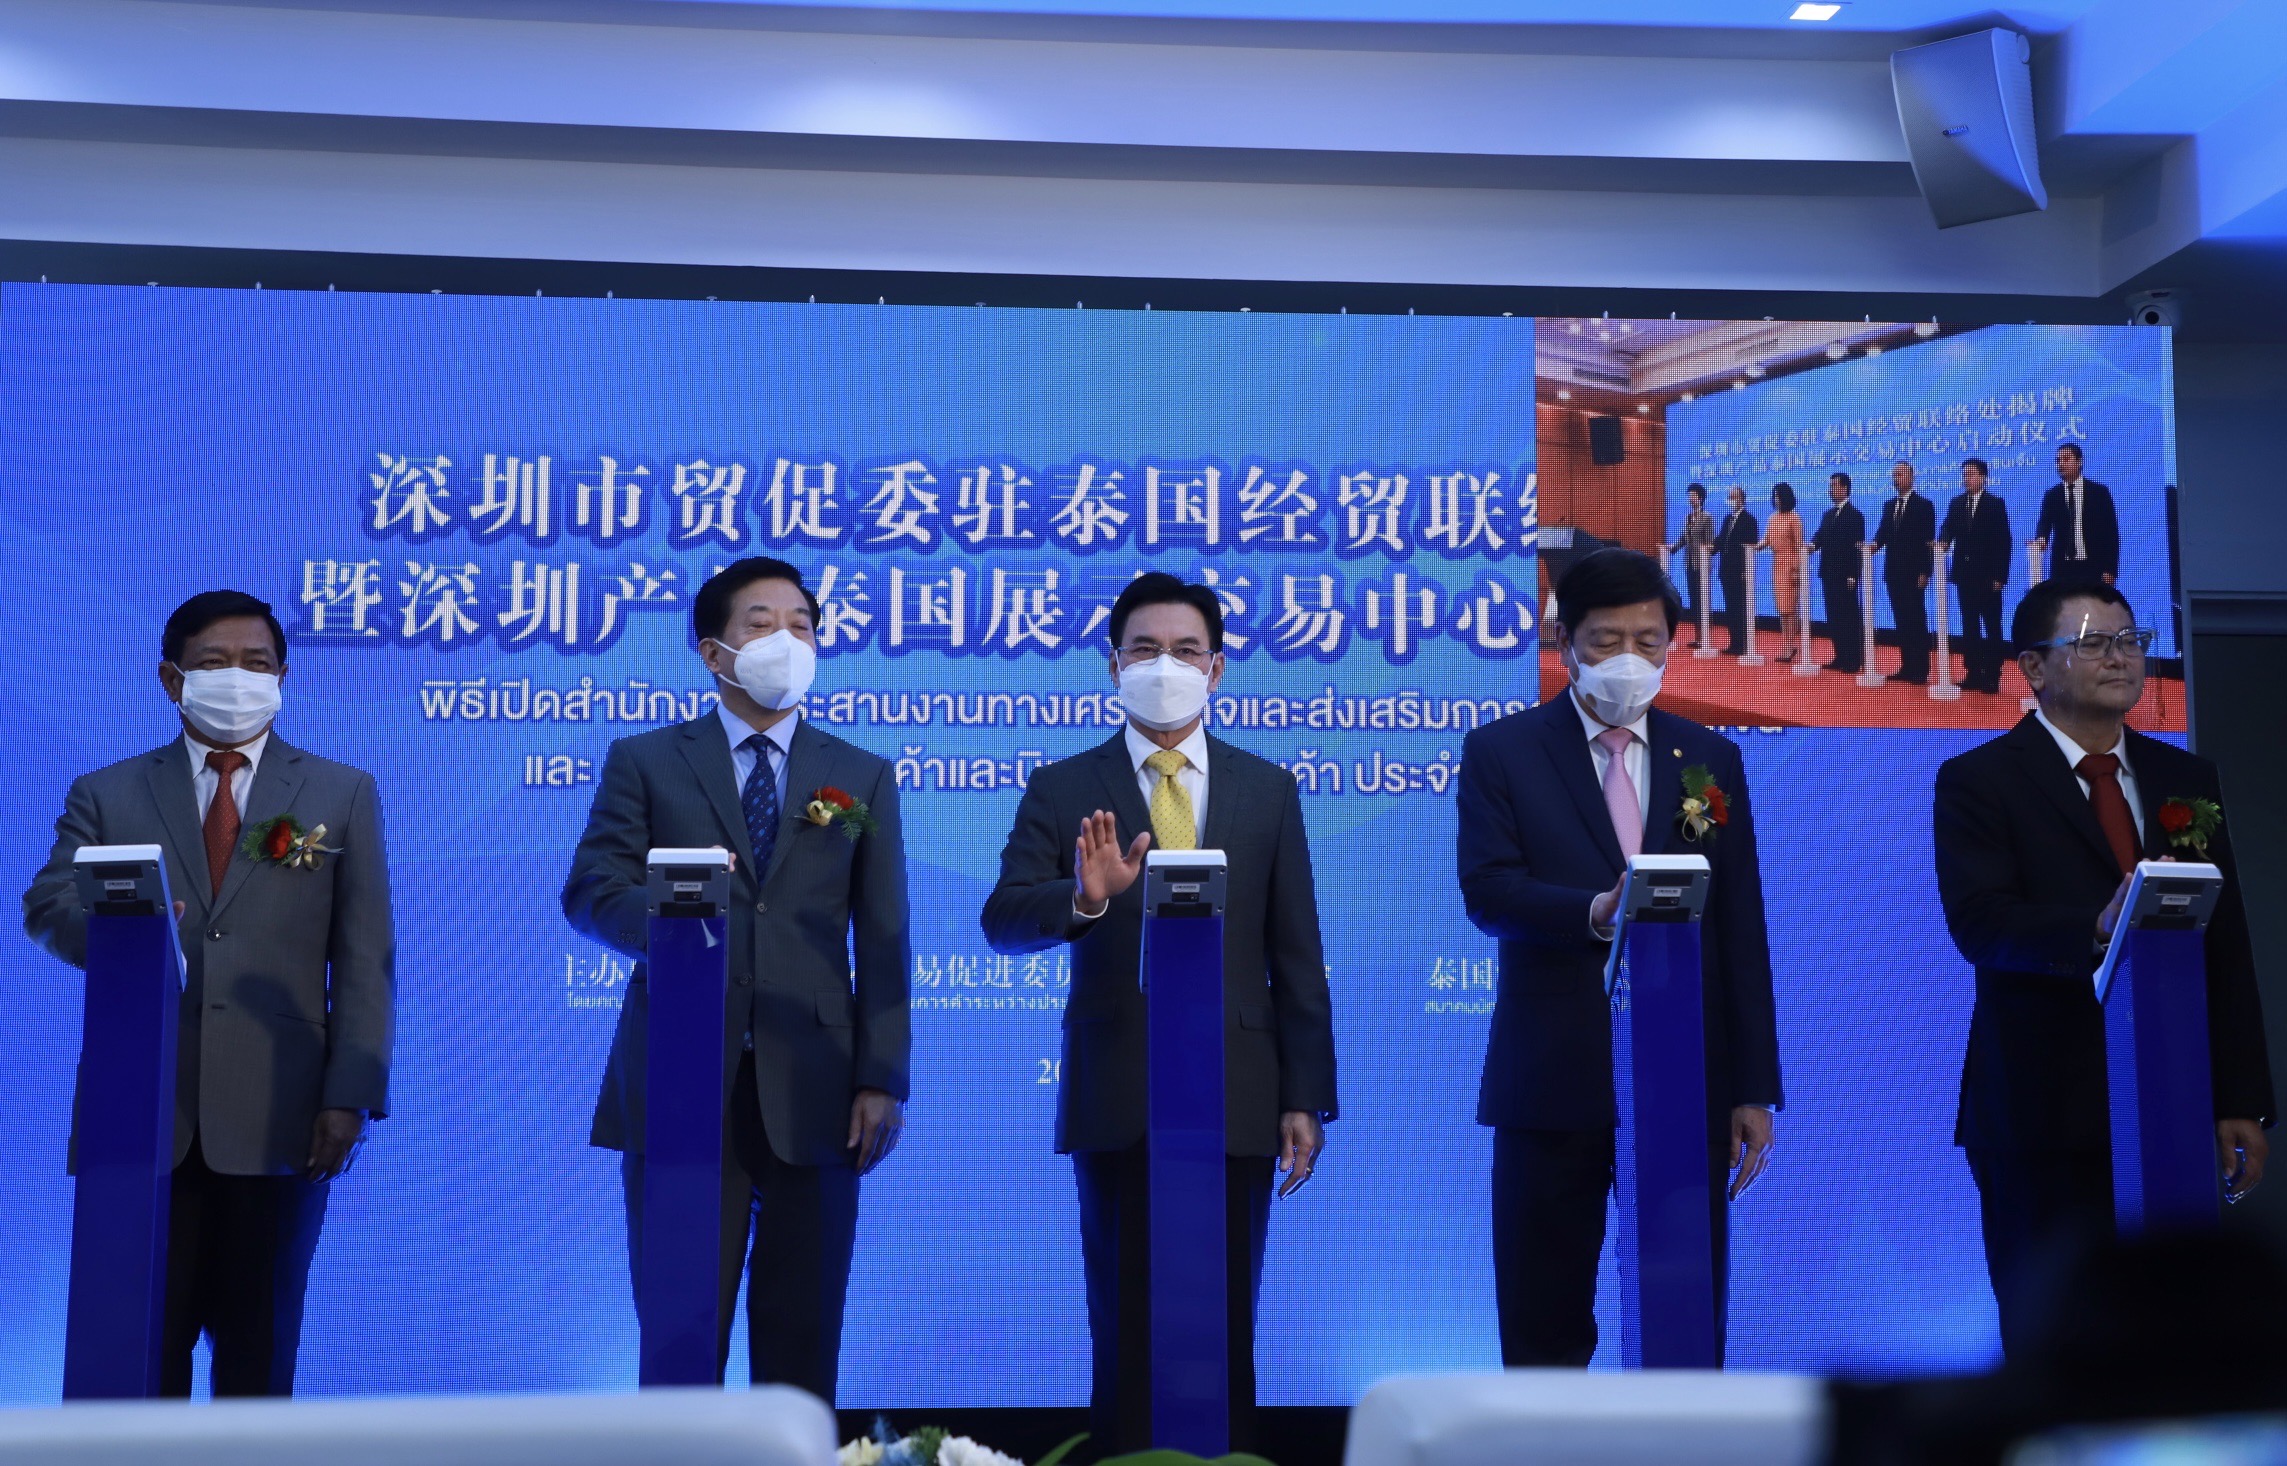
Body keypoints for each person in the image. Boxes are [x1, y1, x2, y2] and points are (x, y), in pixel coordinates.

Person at [980, 572, 1337, 1454]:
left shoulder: (1266, 788)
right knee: (1124, 1322)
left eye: (1184, 650)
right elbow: (1003, 919)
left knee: (1223, 1321)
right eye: (1144, 649)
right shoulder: (1065, 785)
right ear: (1113, 665)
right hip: (1119, 1093)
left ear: (1216, 669)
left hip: (1238, 1094)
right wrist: (1084, 897)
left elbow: (1295, 953)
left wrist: (1304, 1096)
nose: (1164, 667)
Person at [22, 590, 394, 1397]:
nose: (237, 679)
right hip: (138, 1117)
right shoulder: (108, 792)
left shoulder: (339, 794)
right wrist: (128, 937)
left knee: (258, 1354)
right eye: (214, 663)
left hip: (281, 1117)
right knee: (134, 1356)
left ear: (282, 678)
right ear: (171, 679)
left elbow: (366, 959)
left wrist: (351, 1096)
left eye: (256, 664)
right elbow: (47, 907)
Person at [564, 557, 910, 1403]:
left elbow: (885, 936)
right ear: (713, 651)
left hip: (820, 1087)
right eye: (761, 624)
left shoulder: (858, 773)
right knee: (679, 1339)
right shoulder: (646, 760)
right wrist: (671, 912)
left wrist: (880, 1077)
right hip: (679, 1076)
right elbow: (590, 891)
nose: (785, 641)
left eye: (801, 626)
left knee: (803, 1339)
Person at [1455, 548, 1781, 1367]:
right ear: (1565, 644)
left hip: (1683, 1079)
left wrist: (1749, 1086)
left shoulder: (1706, 760)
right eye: (1605, 641)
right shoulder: (1503, 751)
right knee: (1543, 1317)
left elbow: (1738, 924)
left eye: (1647, 640)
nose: (1627, 658)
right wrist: (1593, 912)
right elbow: (1489, 892)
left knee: (1683, 1306)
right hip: (1549, 1077)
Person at [1933, 577, 2273, 1360]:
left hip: (2171, 1101)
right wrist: (2092, 925)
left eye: (2129, 640)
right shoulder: (1980, 779)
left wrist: (2241, 1099)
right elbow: (1981, 925)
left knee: (2182, 1334)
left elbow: (2224, 942)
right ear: (2033, 666)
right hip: (2041, 1111)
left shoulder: (2183, 779)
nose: (2119, 658)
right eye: (2092, 643)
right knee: (2051, 1336)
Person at [1938, 458, 2014, 694]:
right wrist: (1942, 541)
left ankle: (1992, 675)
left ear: (1983, 477)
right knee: (1969, 625)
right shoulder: (1957, 503)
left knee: (1991, 626)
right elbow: (1947, 528)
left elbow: (2004, 542)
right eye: (1965, 474)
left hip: (1988, 576)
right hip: (1964, 575)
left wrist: (2000, 576)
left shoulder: (1994, 504)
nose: (1966, 478)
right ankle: (1972, 672)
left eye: (1971, 474)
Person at [1872, 461, 1936, 684]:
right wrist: (1873, 545)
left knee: (1916, 620)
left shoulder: (1924, 505)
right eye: (1894, 475)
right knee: (1901, 621)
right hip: (1893, 572)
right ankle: (1907, 666)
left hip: (1914, 572)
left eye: (1900, 474)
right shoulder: (1889, 505)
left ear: (1911, 476)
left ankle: (1920, 670)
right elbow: (1883, 532)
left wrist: (1925, 571)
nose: (1896, 478)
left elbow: (1927, 540)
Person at [2032, 443, 2119, 588]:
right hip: (2062, 568)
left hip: (2093, 566)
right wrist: (2041, 538)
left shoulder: (2099, 493)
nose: (2061, 464)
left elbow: (2110, 534)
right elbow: (2044, 522)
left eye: (2066, 459)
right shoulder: (2052, 494)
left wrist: (2110, 569)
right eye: (2058, 460)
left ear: (2079, 461)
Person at [1812, 472, 1867, 674]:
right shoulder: (1828, 515)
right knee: (1833, 616)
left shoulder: (1855, 516)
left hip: (1846, 575)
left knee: (1849, 617)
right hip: (1828, 572)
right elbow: (1820, 536)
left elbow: (1856, 548)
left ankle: (1853, 659)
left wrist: (1854, 574)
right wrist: (1812, 545)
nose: (1831, 489)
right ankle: (1840, 655)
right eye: (1830, 486)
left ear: (1845, 488)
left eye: (1834, 486)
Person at [1756, 482, 1805, 664]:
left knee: (1790, 609)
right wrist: (1754, 546)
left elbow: (1799, 546)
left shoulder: (1794, 518)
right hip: (1777, 564)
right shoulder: (1772, 518)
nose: (1776, 499)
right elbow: (1766, 540)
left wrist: (1797, 569)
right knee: (1782, 609)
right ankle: (1786, 645)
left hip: (1790, 564)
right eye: (1774, 496)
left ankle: (1790, 646)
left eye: (1778, 496)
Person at [1714, 486, 1759, 656]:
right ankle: (1733, 643)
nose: (1731, 500)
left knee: (1741, 608)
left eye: (1734, 497)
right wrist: (1711, 548)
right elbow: (1721, 540)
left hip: (1740, 570)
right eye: (1729, 497)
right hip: (1726, 570)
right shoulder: (1727, 519)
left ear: (1742, 499)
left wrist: (1745, 569)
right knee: (1730, 607)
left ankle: (1744, 644)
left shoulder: (1749, 520)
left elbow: (1752, 543)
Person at [1668, 483, 1716, 644]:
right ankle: (1698, 636)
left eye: (1693, 496)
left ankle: (1706, 637)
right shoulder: (1689, 517)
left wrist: (1707, 552)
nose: (1690, 499)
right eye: (1689, 496)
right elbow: (1684, 538)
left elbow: (1710, 541)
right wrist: (1672, 548)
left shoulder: (1707, 517)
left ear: (1700, 498)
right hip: (1689, 563)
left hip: (1702, 564)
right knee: (1694, 600)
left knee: (1703, 600)